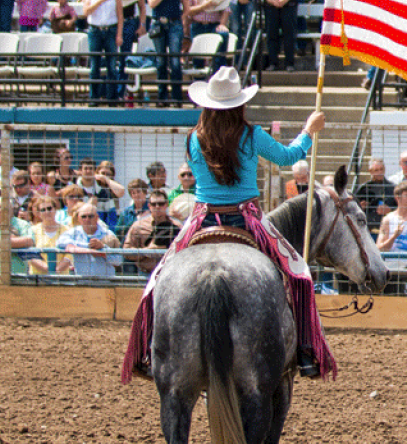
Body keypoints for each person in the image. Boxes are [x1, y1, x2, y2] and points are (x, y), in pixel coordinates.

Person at [122, 66, 330, 381]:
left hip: (202, 218)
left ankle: (148, 350)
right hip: (247, 218)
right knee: (299, 274)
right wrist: (308, 131)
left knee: (157, 280)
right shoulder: (252, 135)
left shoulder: (193, 139)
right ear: (240, 104)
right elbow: (288, 158)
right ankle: (305, 350)